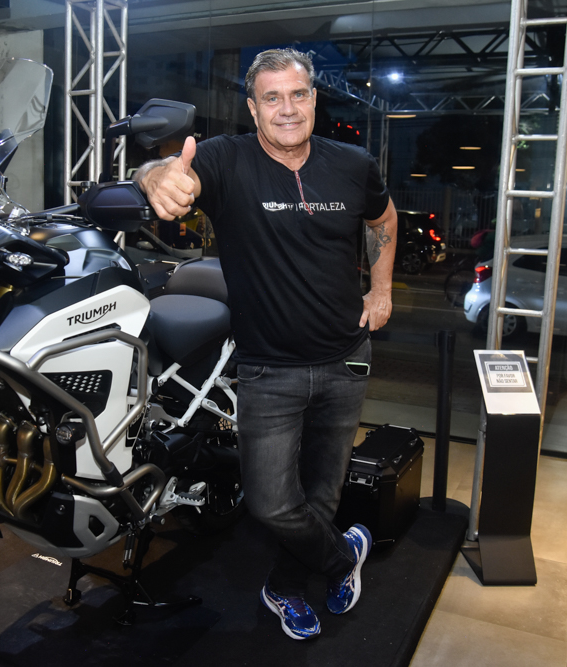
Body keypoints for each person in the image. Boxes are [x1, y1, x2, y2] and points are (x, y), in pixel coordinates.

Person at [136, 48, 398, 640]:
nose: (287, 108)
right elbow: (166, 170)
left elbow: (383, 220)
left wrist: (381, 290)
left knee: (321, 497)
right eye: (271, 97)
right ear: (252, 109)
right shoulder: (226, 160)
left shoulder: (352, 164)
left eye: (298, 94)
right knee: (273, 504)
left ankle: (285, 588)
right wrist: (153, 176)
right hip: (268, 369)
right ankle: (343, 557)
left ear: (314, 100)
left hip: (347, 359)